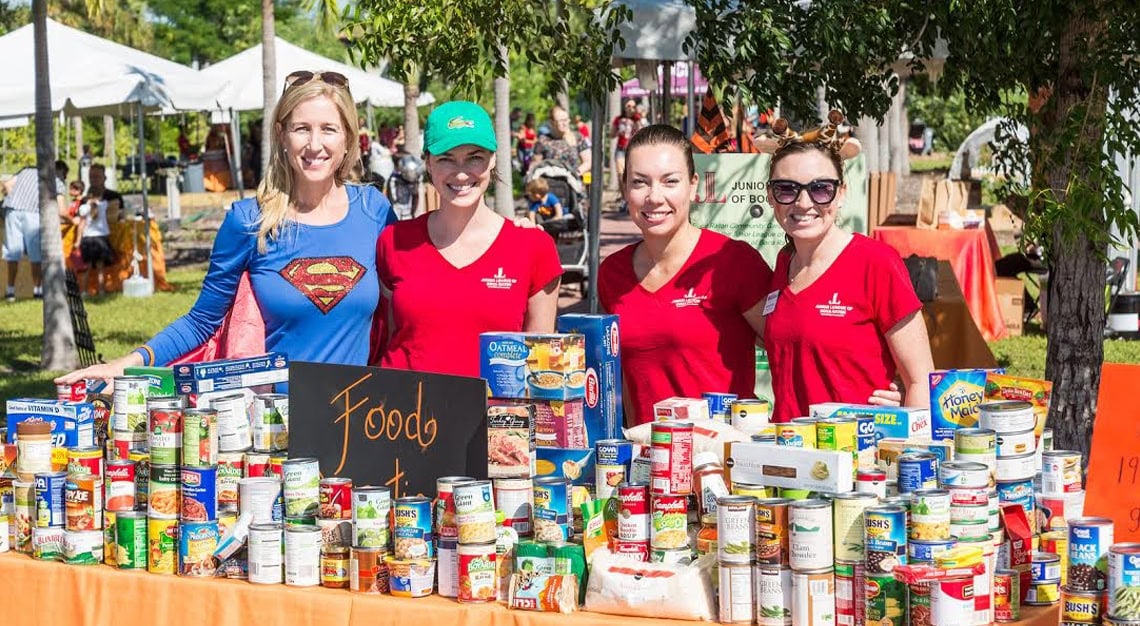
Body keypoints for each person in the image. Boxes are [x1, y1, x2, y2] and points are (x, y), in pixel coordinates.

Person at [56, 70, 395, 387]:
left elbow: (406, 307)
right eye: (302, 128)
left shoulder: (374, 212)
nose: (315, 144)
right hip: (276, 418)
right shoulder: (250, 220)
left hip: (358, 416)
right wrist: (126, 365)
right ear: (281, 134)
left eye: (329, 129)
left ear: (348, 137)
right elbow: (202, 321)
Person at [597, 125, 773, 426]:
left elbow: (792, 347)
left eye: (670, 181)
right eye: (639, 182)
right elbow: (626, 376)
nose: (654, 197)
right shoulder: (612, 273)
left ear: (693, 186)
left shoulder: (733, 261)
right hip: (648, 450)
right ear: (625, 190)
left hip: (722, 451)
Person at [758, 122, 933, 422]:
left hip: (857, 446)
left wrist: (906, 422)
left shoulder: (876, 262)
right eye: (786, 189)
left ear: (841, 194)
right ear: (771, 196)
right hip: (786, 444)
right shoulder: (784, 262)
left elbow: (921, 381)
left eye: (820, 189)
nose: (803, 203)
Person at [375, 101, 562, 378]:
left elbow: (541, 367)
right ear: (428, 163)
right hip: (406, 404)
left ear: (493, 159)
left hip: (492, 407)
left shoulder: (533, 247)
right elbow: (387, 338)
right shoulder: (394, 241)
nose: (461, 173)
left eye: (475, 157)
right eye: (446, 158)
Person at [3, 160, 68, 301]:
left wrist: (17, 198)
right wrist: (73, 221)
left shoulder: (27, 170)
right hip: (33, 213)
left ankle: (10, 291)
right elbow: (62, 212)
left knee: (13, 252)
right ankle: (38, 290)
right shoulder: (57, 182)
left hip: (12, 210)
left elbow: (7, 184)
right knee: (36, 254)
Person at [533, 105, 591, 178]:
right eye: (561, 120)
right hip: (549, 182)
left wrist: (575, 173)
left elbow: (588, 161)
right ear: (552, 122)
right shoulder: (543, 140)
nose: (564, 123)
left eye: (566, 120)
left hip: (572, 181)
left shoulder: (578, 137)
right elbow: (536, 164)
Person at [75, 191, 115, 297]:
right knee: (100, 267)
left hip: (88, 238)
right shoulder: (103, 205)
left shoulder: (83, 208)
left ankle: (84, 291)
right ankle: (101, 290)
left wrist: (78, 240)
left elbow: (81, 224)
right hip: (101, 238)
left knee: (86, 268)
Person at [611, 99, 640, 182]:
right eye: (629, 106)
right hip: (621, 149)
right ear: (624, 107)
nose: (631, 109)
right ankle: (623, 190)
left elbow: (641, 134)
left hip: (633, 149)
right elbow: (612, 135)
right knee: (621, 175)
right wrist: (619, 131)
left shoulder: (637, 119)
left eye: (633, 107)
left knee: (632, 175)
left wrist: (636, 125)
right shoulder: (618, 119)